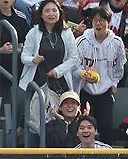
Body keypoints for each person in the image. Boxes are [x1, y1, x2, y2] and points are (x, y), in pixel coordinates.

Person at [20, 0, 79, 135]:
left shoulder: (67, 33)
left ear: (59, 13)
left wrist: (58, 71)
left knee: (60, 118)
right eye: (47, 11)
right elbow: (24, 57)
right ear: (41, 15)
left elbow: (73, 57)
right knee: (37, 118)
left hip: (60, 81)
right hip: (38, 79)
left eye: (54, 10)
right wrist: (33, 60)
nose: (51, 14)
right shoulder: (33, 33)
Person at [75, 5, 126, 144]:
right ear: (91, 23)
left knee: (107, 128)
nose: (98, 23)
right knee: (84, 127)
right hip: (84, 89)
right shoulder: (82, 41)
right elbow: (74, 66)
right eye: (95, 20)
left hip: (105, 91)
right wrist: (84, 74)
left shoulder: (117, 43)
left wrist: (114, 83)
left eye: (102, 20)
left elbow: (120, 67)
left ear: (108, 22)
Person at [0, 0, 30, 104]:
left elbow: (29, 41)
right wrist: (0, 50)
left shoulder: (22, 17)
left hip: (18, 60)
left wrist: (19, 47)